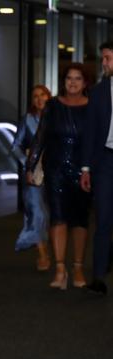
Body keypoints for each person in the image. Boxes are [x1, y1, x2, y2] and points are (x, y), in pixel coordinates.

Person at [27, 63, 91, 290]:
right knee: (58, 217)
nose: (73, 82)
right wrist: (31, 165)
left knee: (80, 219)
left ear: (85, 82)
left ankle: (78, 266)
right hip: (55, 169)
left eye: (78, 78)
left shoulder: (92, 106)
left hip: (84, 170)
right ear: (63, 82)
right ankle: (61, 269)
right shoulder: (52, 106)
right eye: (69, 78)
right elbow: (40, 136)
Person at [80, 41, 113, 295]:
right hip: (105, 162)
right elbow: (89, 132)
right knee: (103, 219)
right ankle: (99, 277)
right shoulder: (99, 92)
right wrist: (86, 168)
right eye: (103, 58)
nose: (104, 63)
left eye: (108, 58)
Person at [12, 85, 51, 270]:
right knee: (37, 212)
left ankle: (50, 246)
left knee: (50, 213)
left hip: (54, 171)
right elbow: (15, 146)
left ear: (48, 96)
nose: (39, 99)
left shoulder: (56, 117)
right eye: (35, 96)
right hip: (32, 173)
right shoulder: (27, 119)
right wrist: (27, 161)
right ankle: (42, 254)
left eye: (42, 94)